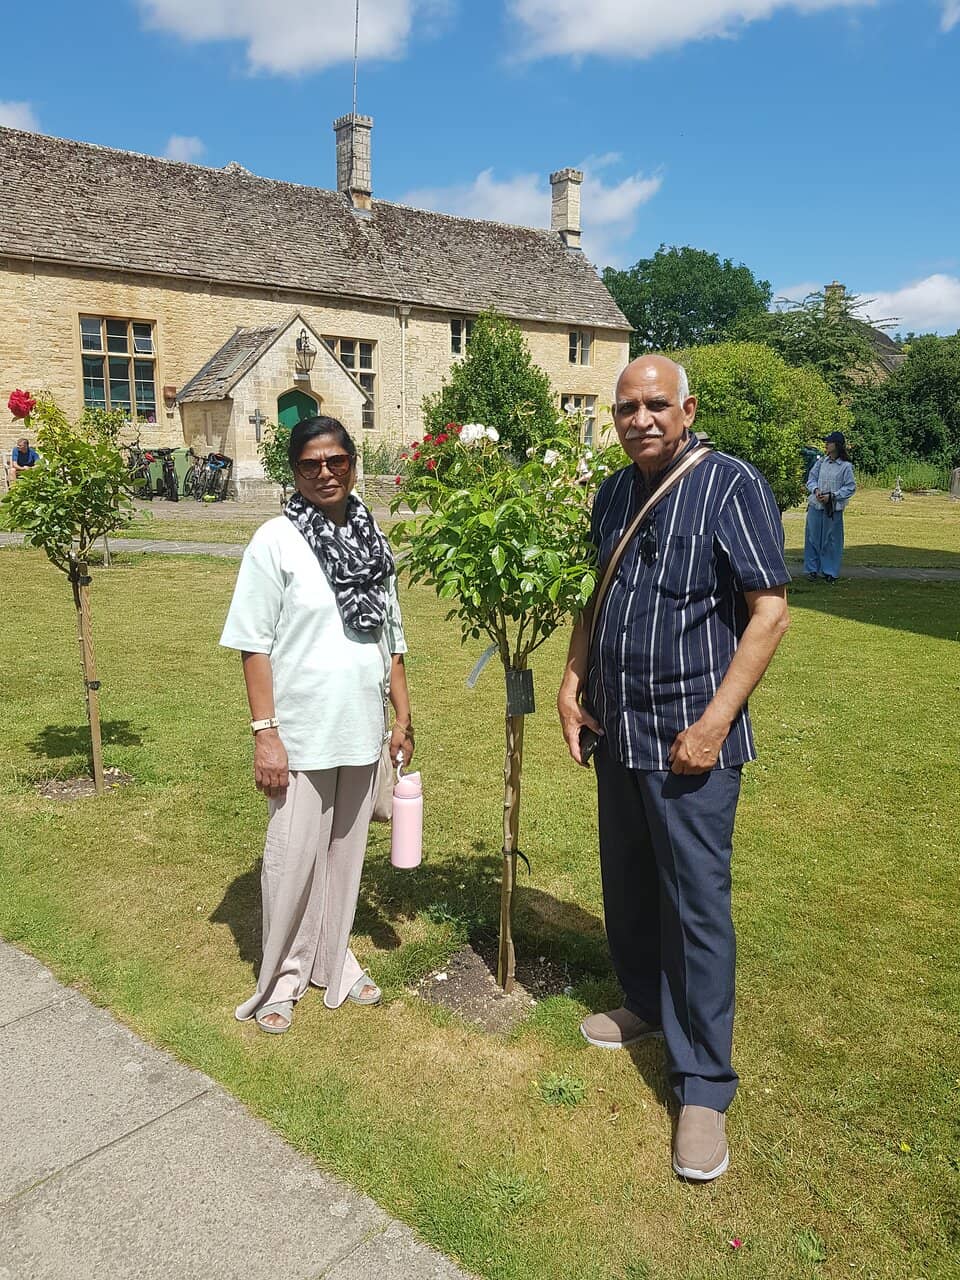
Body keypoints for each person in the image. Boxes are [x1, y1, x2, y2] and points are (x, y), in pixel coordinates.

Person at [556, 355, 790, 1182]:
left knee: (695, 904)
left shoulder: (731, 485)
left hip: (692, 738)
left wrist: (715, 722)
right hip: (618, 729)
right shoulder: (615, 492)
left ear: (687, 410)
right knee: (627, 878)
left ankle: (703, 1087)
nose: (641, 419)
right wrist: (573, 678)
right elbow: (595, 594)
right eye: (627, 408)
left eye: (657, 405)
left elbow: (769, 610)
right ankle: (647, 1006)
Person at [220, 415, 414, 1034]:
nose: (325, 472)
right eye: (310, 464)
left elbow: (391, 633)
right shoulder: (275, 541)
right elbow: (253, 644)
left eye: (336, 461)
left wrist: (402, 713)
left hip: (361, 722)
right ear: (294, 472)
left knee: (345, 856)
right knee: (293, 857)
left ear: (353, 463)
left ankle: (335, 957)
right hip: (299, 732)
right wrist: (265, 731)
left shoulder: (371, 538)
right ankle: (282, 975)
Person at [804, 430, 855, 582]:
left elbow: (850, 487)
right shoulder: (821, 462)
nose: (826, 445)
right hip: (816, 505)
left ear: (837, 445)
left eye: (829, 442)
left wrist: (833, 496)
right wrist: (816, 490)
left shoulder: (845, 466)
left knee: (831, 539)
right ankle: (812, 569)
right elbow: (811, 479)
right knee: (812, 537)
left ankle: (830, 571)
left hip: (832, 507)